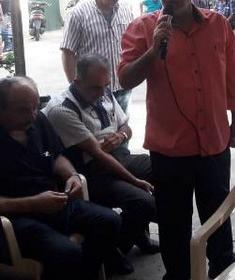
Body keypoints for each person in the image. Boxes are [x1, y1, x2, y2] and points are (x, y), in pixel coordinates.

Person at [117, 0, 235, 280]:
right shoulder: (143, 28)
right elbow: (125, 78)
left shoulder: (218, 24)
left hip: (214, 143)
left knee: (218, 218)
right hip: (170, 150)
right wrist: (154, 48)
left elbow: (232, 75)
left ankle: (222, 271)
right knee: (174, 225)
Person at [43, 54, 159, 274]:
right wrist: (135, 181)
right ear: (77, 81)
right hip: (91, 171)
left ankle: (135, 232)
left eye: (105, 86)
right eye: (95, 88)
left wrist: (120, 136)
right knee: (143, 202)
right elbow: (98, 154)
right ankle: (114, 249)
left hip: (117, 156)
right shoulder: (63, 109)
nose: (102, 92)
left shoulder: (104, 93)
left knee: (166, 170)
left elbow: (126, 127)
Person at [0, 76, 121, 280]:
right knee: (66, 252)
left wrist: (72, 176)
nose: (32, 115)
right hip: (16, 218)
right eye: (23, 110)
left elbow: (56, 156)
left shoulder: (38, 121)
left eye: (35, 107)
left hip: (54, 202)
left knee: (109, 221)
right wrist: (33, 203)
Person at [60, 0, 135, 114]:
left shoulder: (126, 9)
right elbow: (68, 53)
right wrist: (75, 88)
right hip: (92, 90)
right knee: (96, 127)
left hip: (122, 88)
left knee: (122, 126)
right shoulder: (78, 14)